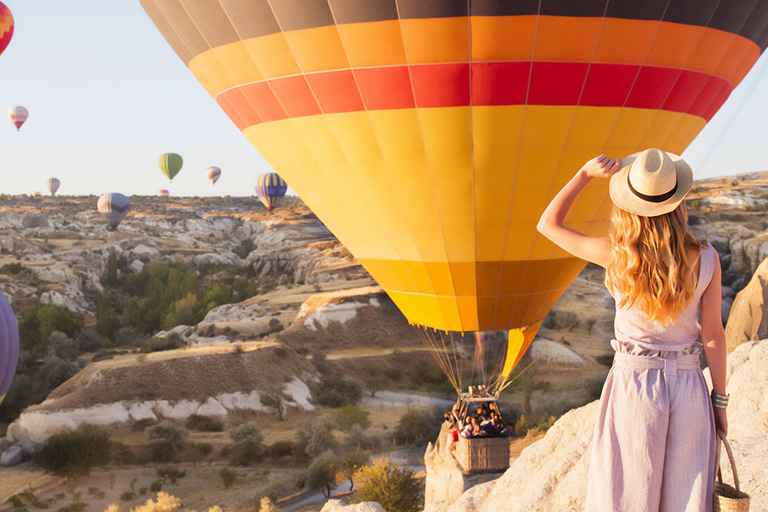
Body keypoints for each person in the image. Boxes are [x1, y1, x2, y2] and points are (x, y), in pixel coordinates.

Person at [537, 149, 727, 512]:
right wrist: (719, 403)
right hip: (689, 387)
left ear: (629, 203)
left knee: (627, 496)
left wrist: (583, 174)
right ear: (677, 202)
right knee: (686, 499)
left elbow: (548, 224)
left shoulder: (618, 256)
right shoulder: (707, 258)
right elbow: (714, 334)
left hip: (635, 385)